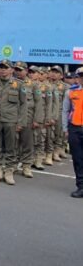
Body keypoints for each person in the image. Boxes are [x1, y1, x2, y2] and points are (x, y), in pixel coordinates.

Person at [62, 67, 83, 198]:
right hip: (74, 129)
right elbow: (65, 111)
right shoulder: (70, 91)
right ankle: (81, 186)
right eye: (81, 76)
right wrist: (65, 129)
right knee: (78, 159)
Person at [49, 66, 70, 163]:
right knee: (48, 134)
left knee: (58, 133)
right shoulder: (45, 85)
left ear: (61, 75)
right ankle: (48, 152)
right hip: (48, 112)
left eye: (56, 72)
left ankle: (57, 150)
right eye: (52, 71)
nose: (53, 74)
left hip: (60, 113)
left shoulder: (65, 87)